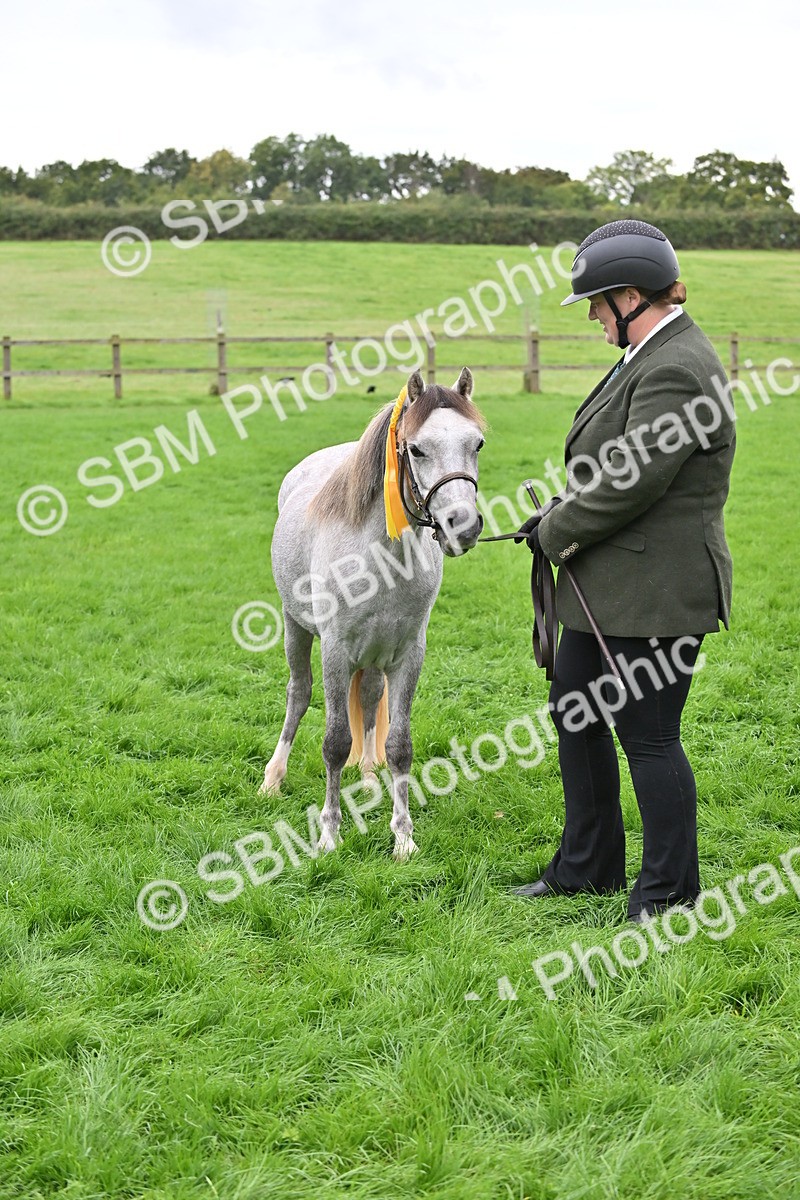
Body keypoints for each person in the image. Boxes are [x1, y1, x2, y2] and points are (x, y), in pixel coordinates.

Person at [513, 219, 735, 923]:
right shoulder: (647, 353)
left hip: (657, 591)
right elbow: (611, 465)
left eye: (596, 302)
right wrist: (558, 511)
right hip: (605, 586)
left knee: (648, 735)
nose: (590, 316)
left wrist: (556, 529)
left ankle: (670, 896)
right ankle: (588, 867)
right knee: (573, 712)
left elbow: (633, 480)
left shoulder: (675, 365)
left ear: (631, 296)